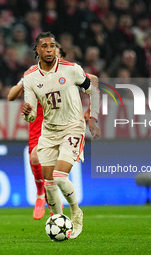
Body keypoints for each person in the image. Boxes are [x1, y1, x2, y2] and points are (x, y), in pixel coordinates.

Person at [21, 31, 100, 239]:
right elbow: (33, 116)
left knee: (59, 176)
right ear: (37, 50)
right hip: (49, 132)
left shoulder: (72, 70)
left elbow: (94, 91)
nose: (49, 50)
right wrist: (28, 114)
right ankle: (59, 220)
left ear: (56, 48)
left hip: (72, 128)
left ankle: (76, 211)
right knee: (48, 182)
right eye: (44, 46)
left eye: (52, 46)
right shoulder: (30, 79)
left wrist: (93, 115)